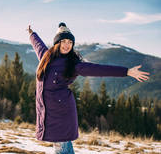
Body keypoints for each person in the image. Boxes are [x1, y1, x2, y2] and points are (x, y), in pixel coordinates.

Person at [27, 22, 150, 154]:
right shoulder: (46, 57)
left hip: (61, 113)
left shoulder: (73, 64)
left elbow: (98, 69)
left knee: (61, 147)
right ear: (57, 43)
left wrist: (126, 72)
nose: (67, 45)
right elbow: (37, 44)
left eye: (70, 42)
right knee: (64, 147)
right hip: (49, 111)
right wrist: (31, 34)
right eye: (64, 41)